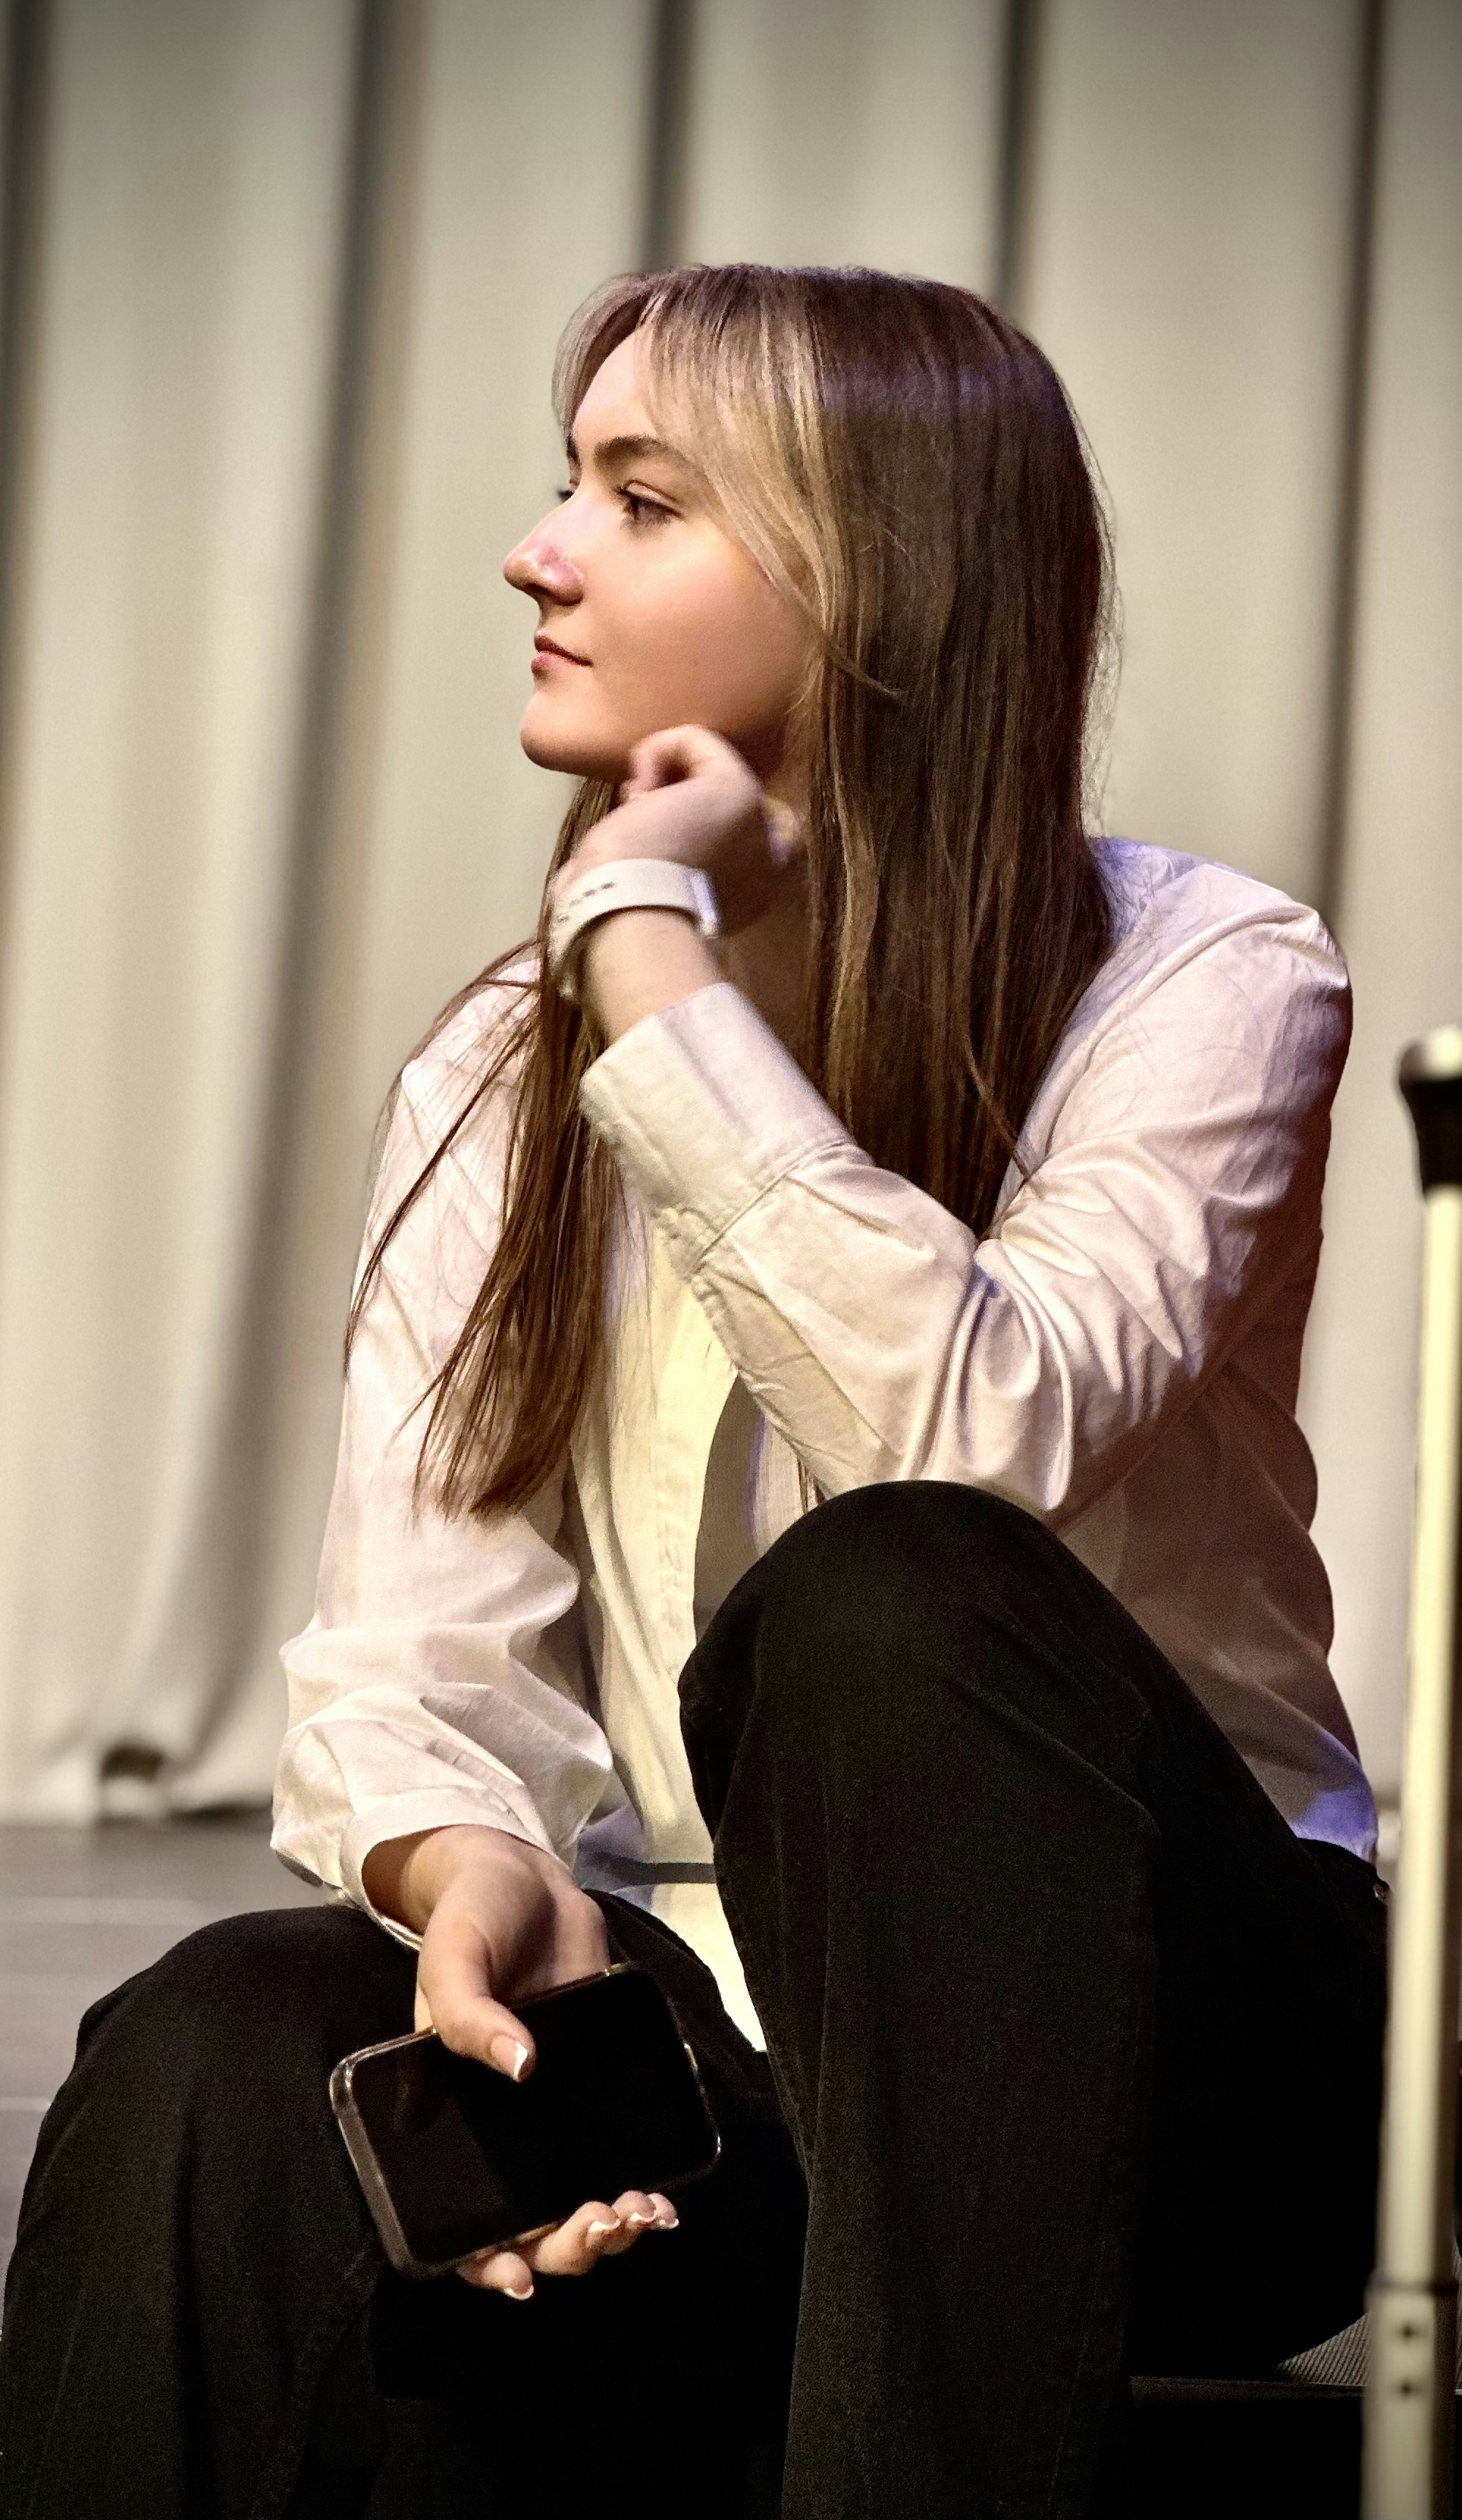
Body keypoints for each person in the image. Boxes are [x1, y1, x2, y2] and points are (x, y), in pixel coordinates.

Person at [0, 264, 1386, 2520]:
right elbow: (414, 1645)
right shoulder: (500, 1060)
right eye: (571, 485)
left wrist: (651, 962)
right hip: (747, 2042)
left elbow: (974, 1443)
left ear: (881, 591)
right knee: (210, 2051)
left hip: (1191, 2068)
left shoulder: (1211, 978)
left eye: (640, 499)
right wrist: (470, 1865)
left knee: (883, 1597)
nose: (539, 550)